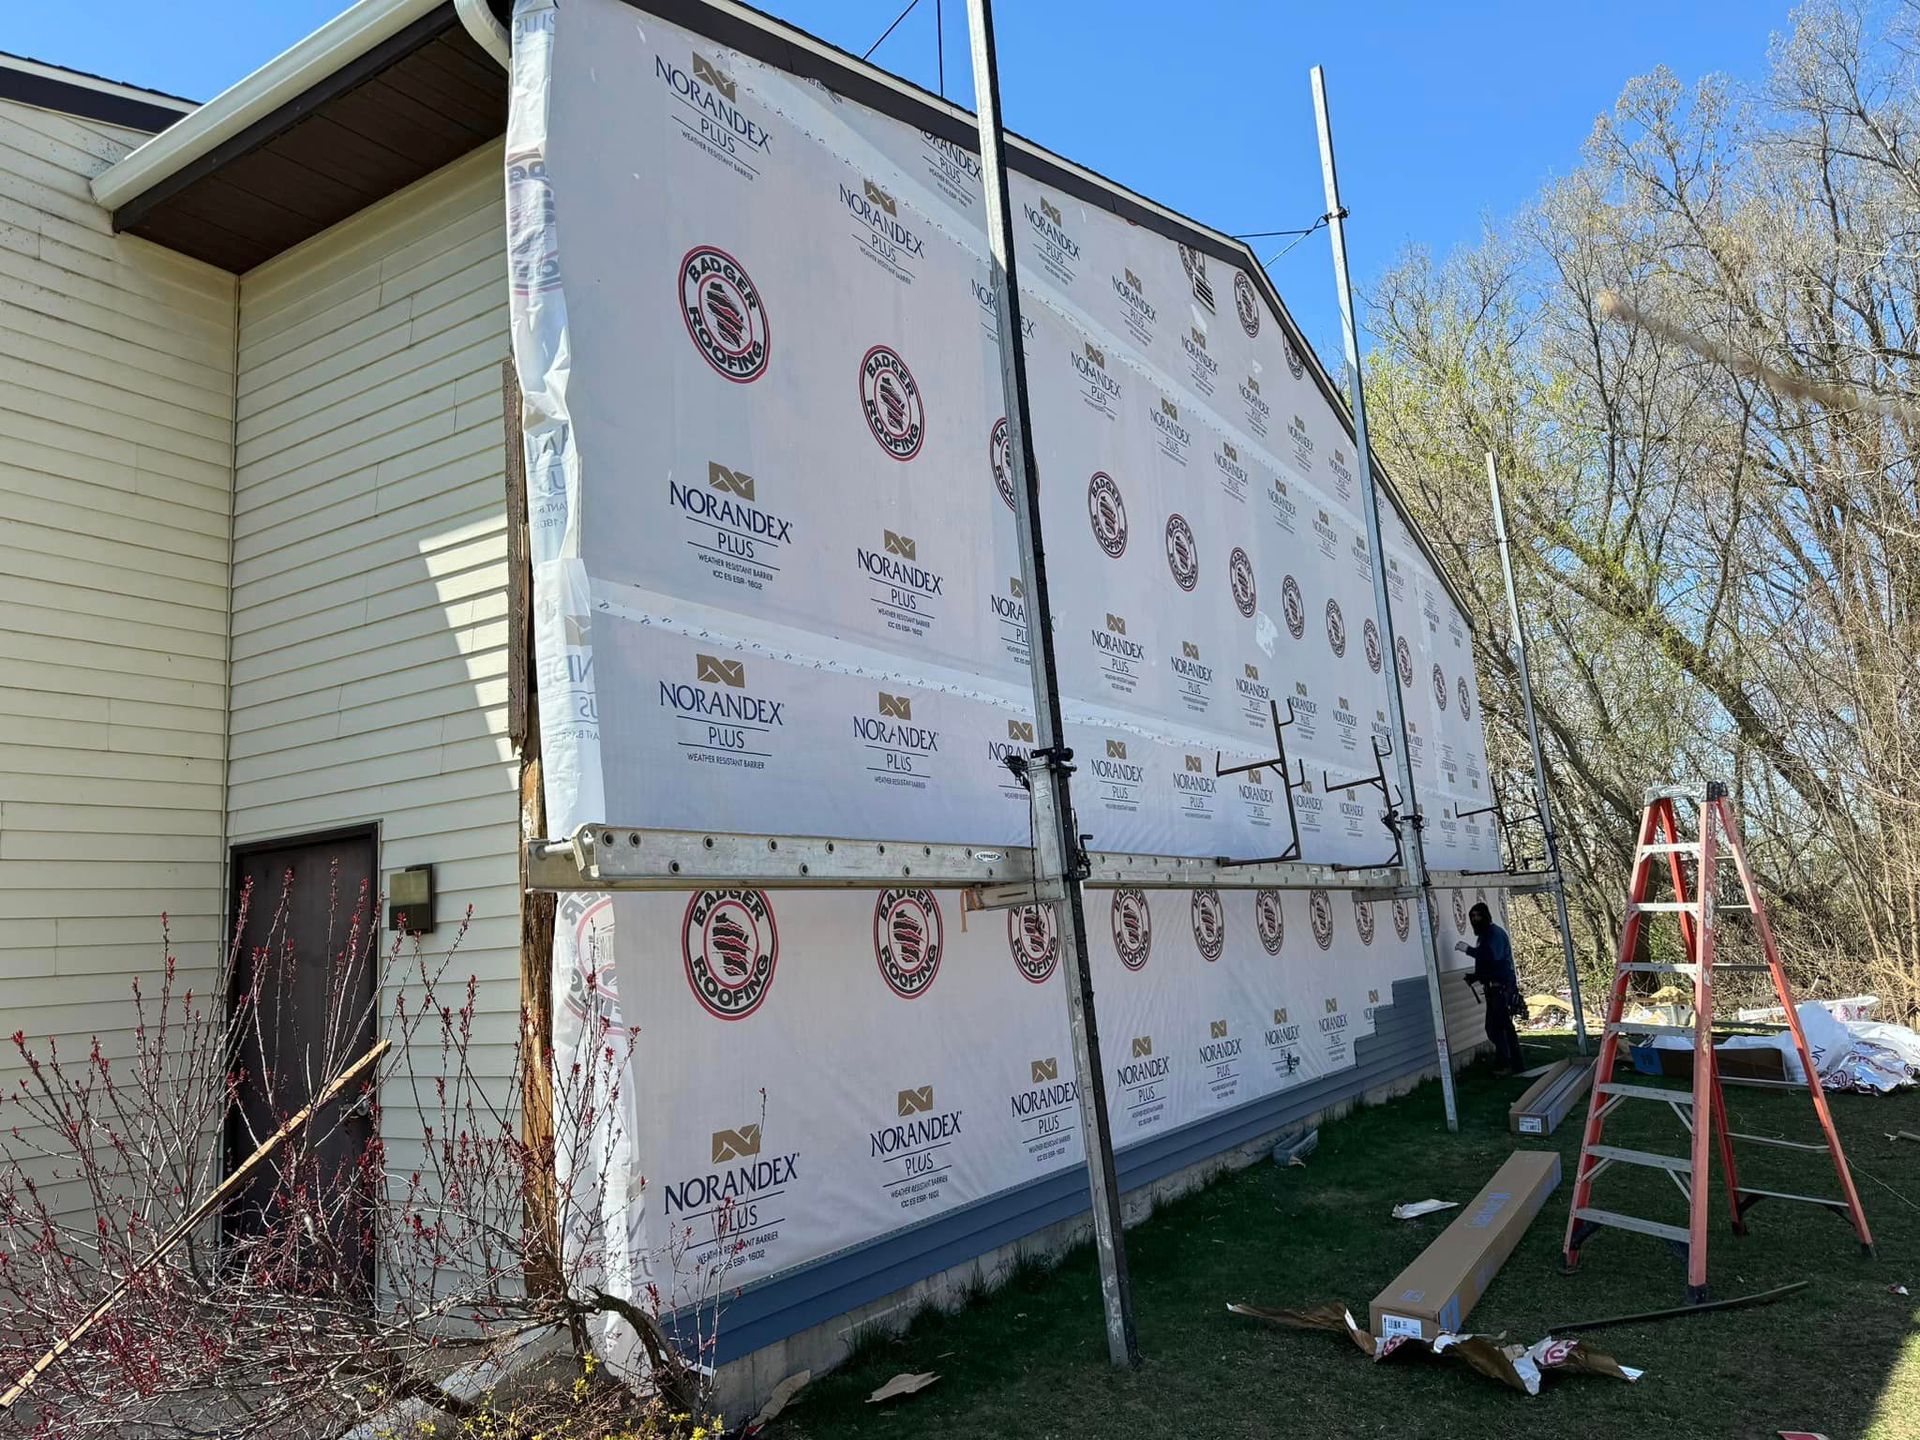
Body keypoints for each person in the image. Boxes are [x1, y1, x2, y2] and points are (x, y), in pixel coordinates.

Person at [1456, 902, 1525, 1073]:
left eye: (1478, 916)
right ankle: (1509, 1062)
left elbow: (1492, 957)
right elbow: (1488, 964)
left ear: (1486, 916)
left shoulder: (1495, 934)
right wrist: (1476, 976)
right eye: (1472, 916)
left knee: (1500, 1027)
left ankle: (1509, 1063)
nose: (1475, 919)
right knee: (1495, 1027)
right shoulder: (1485, 935)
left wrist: (1468, 950)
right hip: (1493, 988)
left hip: (1501, 988)